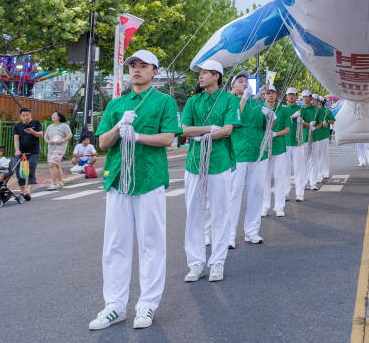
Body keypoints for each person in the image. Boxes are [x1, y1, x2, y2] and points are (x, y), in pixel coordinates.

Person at [88, 49, 181, 331]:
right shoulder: (117, 104)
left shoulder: (164, 102)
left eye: (144, 66)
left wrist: (137, 135)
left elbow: (168, 138)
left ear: (155, 71)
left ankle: (147, 304)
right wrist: (119, 127)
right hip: (118, 179)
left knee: (151, 242)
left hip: (149, 178)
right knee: (115, 244)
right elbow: (103, 142)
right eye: (133, 66)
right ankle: (114, 306)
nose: (137, 70)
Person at [181, 59, 241, 284]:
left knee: (219, 214)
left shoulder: (228, 100)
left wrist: (201, 135)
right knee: (194, 215)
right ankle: (195, 262)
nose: (200, 76)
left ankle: (217, 262)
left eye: (205, 73)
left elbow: (227, 130)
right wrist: (207, 130)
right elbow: (185, 129)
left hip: (219, 162)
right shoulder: (193, 101)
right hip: (194, 163)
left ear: (217, 75)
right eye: (200, 73)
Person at [227, 77, 273, 246]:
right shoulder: (229, 101)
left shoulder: (257, 104)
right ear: (232, 86)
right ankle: (229, 235)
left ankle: (252, 231)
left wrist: (270, 117)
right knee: (233, 194)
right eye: (240, 81)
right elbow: (233, 118)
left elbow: (266, 126)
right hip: (237, 152)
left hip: (257, 152)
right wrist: (245, 98)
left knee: (256, 191)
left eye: (246, 81)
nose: (244, 83)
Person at [263, 85, 292, 217]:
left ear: (276, 95)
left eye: (273, 93)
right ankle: (265, 206)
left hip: (279, 148)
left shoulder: (283, 110)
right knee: (265, 179)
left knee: (279, 177)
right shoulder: (260, 110)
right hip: (263, 150)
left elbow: (287, 129)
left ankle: (279, 206)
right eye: (268, 93)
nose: (270, 95)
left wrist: (275, 134)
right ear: (264, 95)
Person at [12, 107, 43, 200]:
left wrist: (32, 131)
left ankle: (28, 193)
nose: (25, 117)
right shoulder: (17, 126)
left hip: (33, 152)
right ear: (20, 116)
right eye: (23, 115)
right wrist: (17, 150)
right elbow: (16, 139)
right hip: (21, 153)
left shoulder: (36, 123)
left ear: (30, 115)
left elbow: (41, 135)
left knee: (31, 171)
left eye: (27, 115)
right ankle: (22, 192)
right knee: (19, 172)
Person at [45, 111, 73, 190]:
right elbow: (45, 137)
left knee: (52, 164)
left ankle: (54, 183)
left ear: (59, 117)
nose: (53, 116)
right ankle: (60, 183)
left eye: (55, 115)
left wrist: (63, 140)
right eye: (53, 114)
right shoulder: (50, 127)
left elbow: (70, 135)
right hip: (51, 148)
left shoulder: (64, 126)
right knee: (56, 165)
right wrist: (48, 141)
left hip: (60, 148)